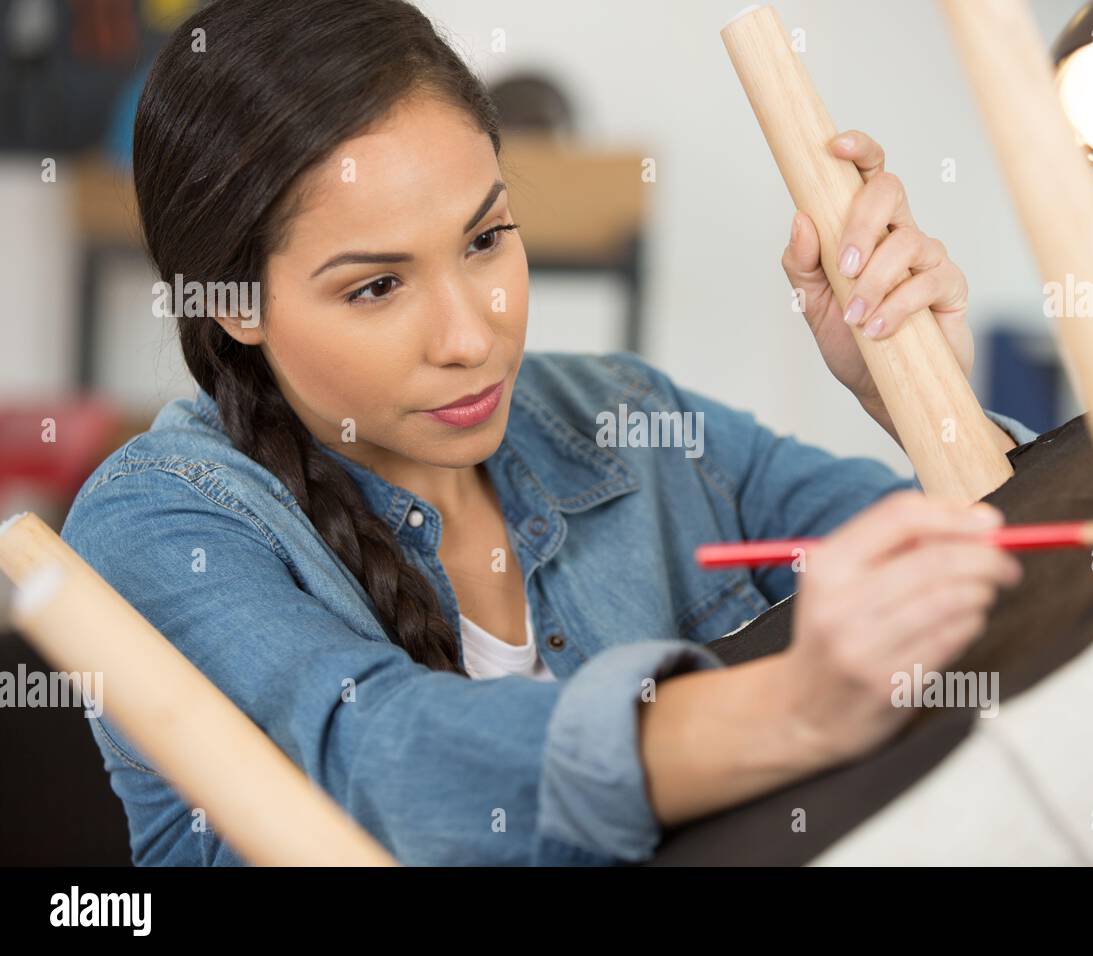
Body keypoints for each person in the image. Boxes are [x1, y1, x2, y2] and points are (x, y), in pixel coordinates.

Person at [60, 0, 1031, 866]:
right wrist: (789, 709)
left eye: (485, 240)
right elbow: (382, 769)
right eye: (376, 286)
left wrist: (913, 392)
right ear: (235, 303)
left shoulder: (629, 418)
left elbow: (996, 587)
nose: (471, 334)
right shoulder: (156, 522)